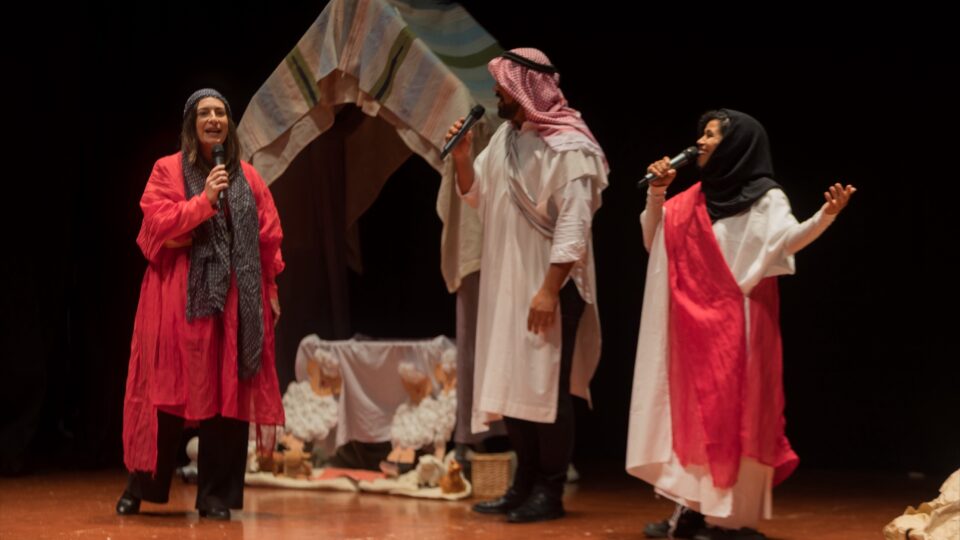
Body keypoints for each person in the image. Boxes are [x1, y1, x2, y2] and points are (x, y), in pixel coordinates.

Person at [626, 109, 856, 540]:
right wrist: (657, 192)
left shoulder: (766, 198)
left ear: (737, 145)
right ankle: (691, 511)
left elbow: (787, 241)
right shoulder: (691, 199)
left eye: (712, 134)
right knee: (695, 418)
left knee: (734, 419)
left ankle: (729, 520)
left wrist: (825, 216)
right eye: (702, 133)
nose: (701, 141)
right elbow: (655, 241)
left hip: (741, 323)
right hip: (692, 320)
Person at [445, 48, 608, 523]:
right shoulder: (504, 139)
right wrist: (462, 159)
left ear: (526, 88)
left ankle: (550, 491)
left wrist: (549, 290)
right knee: (513, 384)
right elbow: (478, 197)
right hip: (508, 285)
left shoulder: (571, 146)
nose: (496, 93)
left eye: (502, 86)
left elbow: (575, 224)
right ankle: (524, 483)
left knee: (544, 389)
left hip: (549, 286)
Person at [116, 88, 286, 520]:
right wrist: (204, 202)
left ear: (229, 124)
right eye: (205, 113)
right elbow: (155, 227)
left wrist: (269, 291)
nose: (214, 119)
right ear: (192, 124)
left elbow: (267, 239)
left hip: (234, 304)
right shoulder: (167, 170)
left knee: (228, 395)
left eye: (221, 113)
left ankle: (215, 496)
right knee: (167, 392)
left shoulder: (248, 177)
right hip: (176, 301)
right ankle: (141, 485)